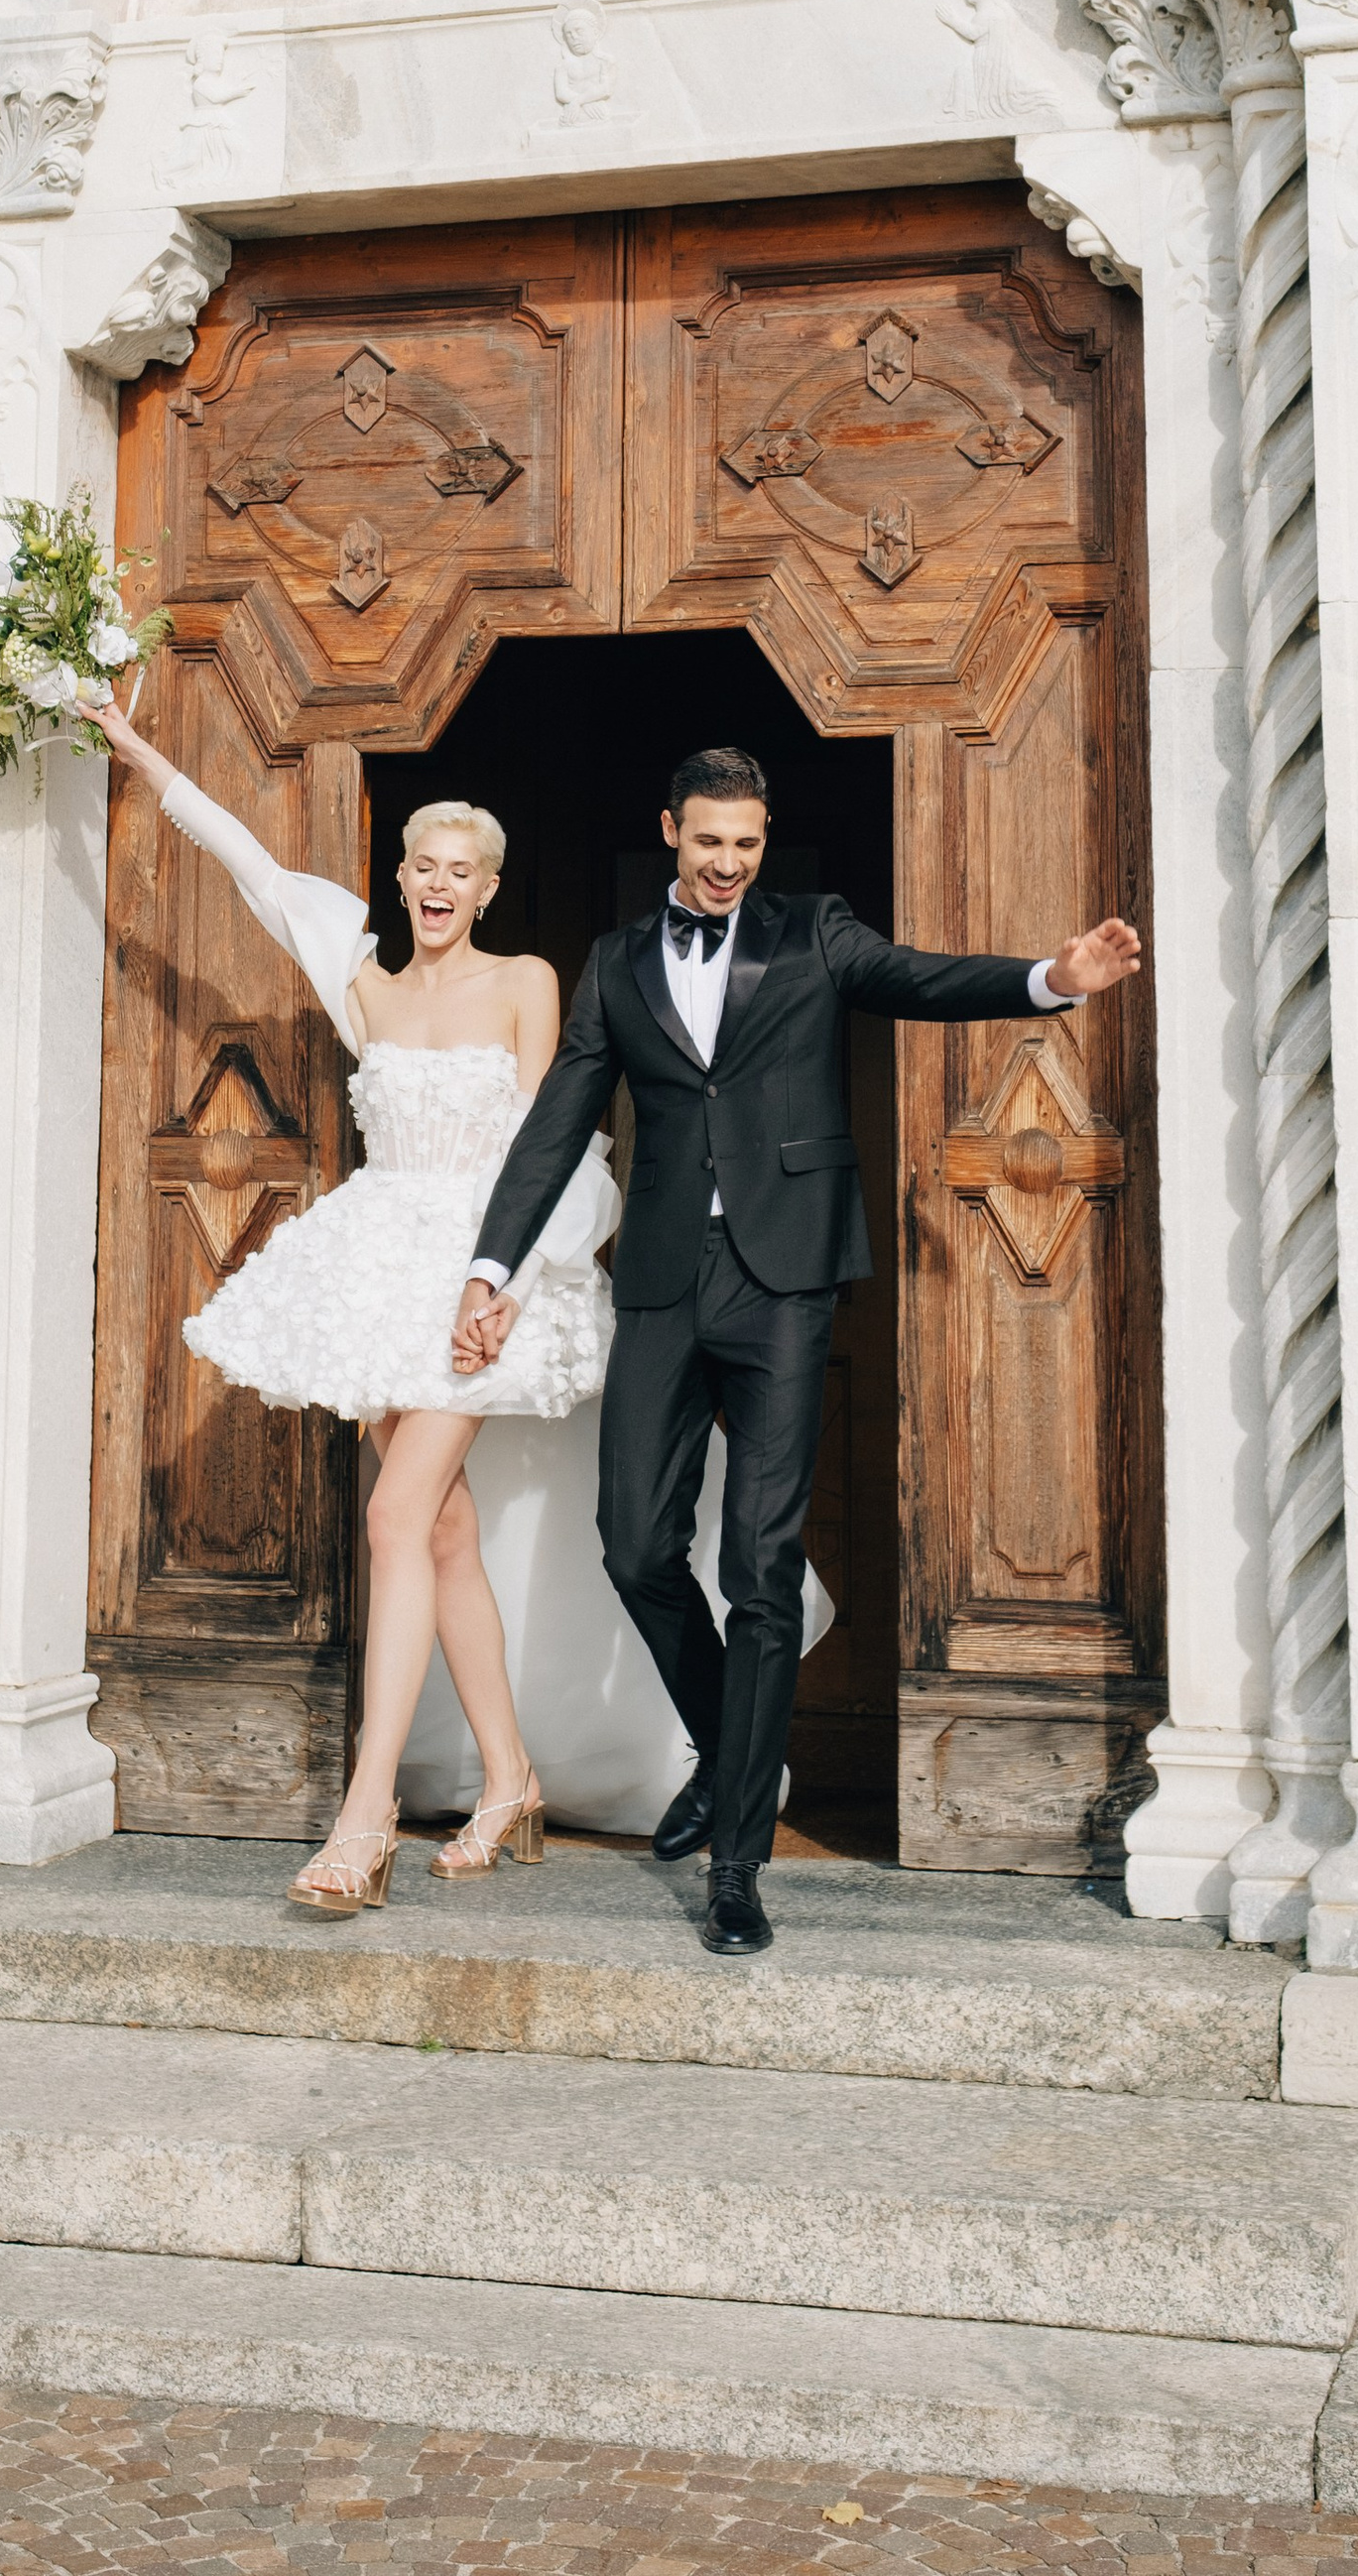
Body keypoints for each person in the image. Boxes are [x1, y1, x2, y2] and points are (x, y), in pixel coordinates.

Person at [454, 743, 1144, 1961]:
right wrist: (490, 1268)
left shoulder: (815, 932)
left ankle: (737, 1869)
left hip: (786, 1281)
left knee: (762, 1568)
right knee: (634, 1543)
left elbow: (922, 979)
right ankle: (732, 1755)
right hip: (665, 1280)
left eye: (747, 847)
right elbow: (559, 1118)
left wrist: (1052, 976)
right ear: (670, 829)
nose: (727, 865)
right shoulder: (617, 964)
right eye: (709, 842)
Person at [94, 696, 621, 1917]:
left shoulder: (528, 981)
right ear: (402, 877)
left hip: (480, 1274)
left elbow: (553, 1145)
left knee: (393, 1513)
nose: (440, 887)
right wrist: (130, 748)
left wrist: (510, 1280)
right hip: (379, 1265)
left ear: (490, 889)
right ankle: (510, 1780)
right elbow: (249, 864)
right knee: (437, 1532)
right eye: (424, 868)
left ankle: (366, 1808)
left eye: (463, 873)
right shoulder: (362, 979)